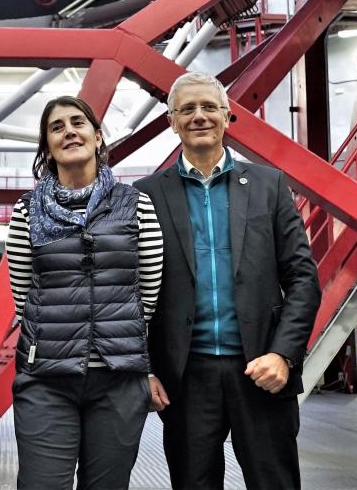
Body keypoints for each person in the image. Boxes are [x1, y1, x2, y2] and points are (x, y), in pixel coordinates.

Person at [134, 71, 320, 490]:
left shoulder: (270, 186)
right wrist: (143, 369)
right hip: (185, 378)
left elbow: (303, 278)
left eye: (209, 107)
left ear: (227, 116)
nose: (199, 116)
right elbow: (131, 290)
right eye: (187, 109)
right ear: (172, 121)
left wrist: (283, 355)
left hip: (261, 371)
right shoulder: (145, 195)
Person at [4, 96, 163, 489]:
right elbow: (24, 296)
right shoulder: (26, 210)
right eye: (56, 127)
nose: (69, 131)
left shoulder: (137, 204)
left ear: (97, 136)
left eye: (78, 122)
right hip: (46, 379)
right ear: (47, 146)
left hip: (118, 379)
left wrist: (115, 337)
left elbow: (148, 292)